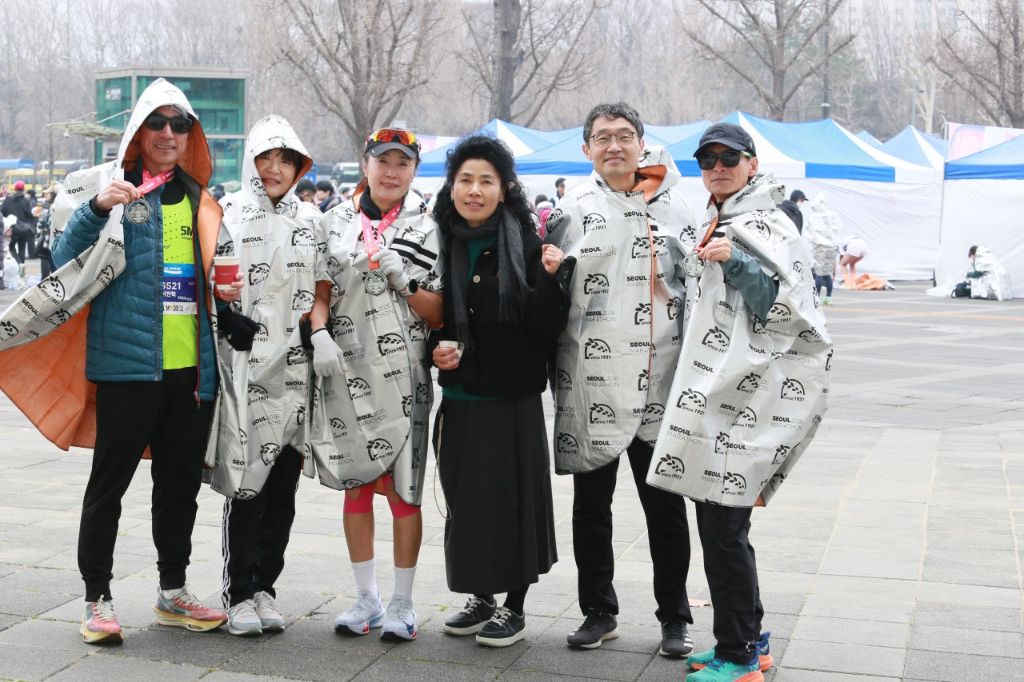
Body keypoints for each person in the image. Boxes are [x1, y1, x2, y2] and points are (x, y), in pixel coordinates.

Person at [647, 122, 831, 682]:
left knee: (724, 531)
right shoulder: (718, 218)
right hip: (716, 397)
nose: (718, 168)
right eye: (708, 161)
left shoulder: (766, 222)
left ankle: (740, 655)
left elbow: (786, 308)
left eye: (729, 158)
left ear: (753, 164)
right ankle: (750, 636)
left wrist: (737, 262)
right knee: (721, 526)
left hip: (747, 401)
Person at [48, 79, 229, 643]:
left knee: (179, 488)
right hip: (128, 368)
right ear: (138, 132)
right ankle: (96, 599)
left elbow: (215, 277)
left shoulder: (202, 200)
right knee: (109, 487)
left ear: (191, 135)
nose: (169, 133)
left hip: (191, 375)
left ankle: (173, 591)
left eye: (180, 124)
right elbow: (62, 260)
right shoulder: (114, 191)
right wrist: (96, 209)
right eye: (158, 122)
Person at [544, 102, 697, 657]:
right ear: (586, 148)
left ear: (641, 143)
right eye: (603, 137)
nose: (615, 145)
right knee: (591, 507)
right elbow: (548, 299)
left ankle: (675, 618)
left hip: (661, 382)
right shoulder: (569, 212)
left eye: (625, 135)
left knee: (666, 510)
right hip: (593, 384)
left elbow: (700, 291)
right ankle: (598, 611)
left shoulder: (677, 208)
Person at [430, 136, 567, 647]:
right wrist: (434, 351)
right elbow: (432, 320)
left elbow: (547, 326)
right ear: (452, 186)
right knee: (466, 501)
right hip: (461, 395)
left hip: (512, 398)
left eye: (486, 181)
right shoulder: (441, 240)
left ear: (504, 188)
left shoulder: (526, 244)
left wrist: (550, 279)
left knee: (513, 502)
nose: (474, 190)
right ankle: (481, 595)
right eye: (465, 179)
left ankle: (515, 605)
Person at [308, 127, 443, 642]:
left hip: (407, 377)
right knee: (357, 486)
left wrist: (405, 283)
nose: (391, 171)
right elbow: (319, 291)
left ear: (414, 171)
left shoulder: (429, 227)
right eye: (383, 161)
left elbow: (439, 312)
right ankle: (366, 597)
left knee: (405, 494)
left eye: (402, 163)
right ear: (365, 164)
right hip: (346, 373)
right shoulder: (333, 222)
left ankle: (404, 602)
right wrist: (318, 333)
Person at [211, 116, 329, 636]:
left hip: (298, 373)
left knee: (282, 489)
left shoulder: (312, 219)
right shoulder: (228, 213)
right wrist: (225, 314)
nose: (275, 169)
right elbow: (208, 280)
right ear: (251, 161)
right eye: (266, 158)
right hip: (245, 369)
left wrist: (317, 330)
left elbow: (323, 286)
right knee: (246, 486)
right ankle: (238, 591)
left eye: (286, 160)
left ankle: (265, 586)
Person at [804, 193, 840, 304]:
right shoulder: (832, 215)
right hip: (832, 247)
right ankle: (828, 297)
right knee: (828, 273)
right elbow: (837, 230)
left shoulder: (814, 217)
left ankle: (817, 297)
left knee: (819, 273)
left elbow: (809, 232)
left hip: (820, 247)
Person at [1, 180, 35, 267]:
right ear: (23, 189)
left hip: (10, 229)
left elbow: (2, 212)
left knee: (11, 247)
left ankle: (17, 264)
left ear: (15, 189)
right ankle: (21, 265)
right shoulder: (26, 201)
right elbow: (30, 214)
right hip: (23, 229)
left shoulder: (8, 200)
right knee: (22, 248)